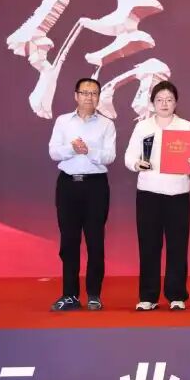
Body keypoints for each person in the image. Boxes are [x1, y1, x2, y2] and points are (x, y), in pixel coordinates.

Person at [124, 80, 190, 311]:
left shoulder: (186, 126)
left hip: (178, 193)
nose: (164, 104)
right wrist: (137, 164)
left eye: (169, 99)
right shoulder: (142, 127)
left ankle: (176, 295)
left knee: (178, 246)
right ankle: (148, 296)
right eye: (159, 100)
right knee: (148, 246)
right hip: (148, 193)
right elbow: (129, 156)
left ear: (176, 102)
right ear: (152, 103)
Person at [47, 77, 116, 312]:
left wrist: (89, 151)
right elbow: (53, 152)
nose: (89, 97)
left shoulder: (106, 124)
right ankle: (70, 295)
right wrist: (72, 149)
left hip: (96, 187)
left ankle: (94, 294)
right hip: (68, 185)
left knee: (95, 241)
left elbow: (110, 156)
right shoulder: (63, 121)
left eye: (94, 93)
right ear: (76, 95)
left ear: (99, 97)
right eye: (85, 93)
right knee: (69, 241)